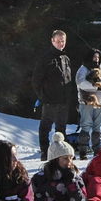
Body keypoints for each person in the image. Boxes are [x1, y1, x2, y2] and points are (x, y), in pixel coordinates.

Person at [30, 133, 93, 201]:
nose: (69, 162)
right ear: (55, 159)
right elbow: (31, 197)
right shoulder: (39, 178)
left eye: (71, 158)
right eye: (65, 158)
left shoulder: (75, 179)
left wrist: (71, 183)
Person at [32, 29, 74, 161]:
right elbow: (36, 80)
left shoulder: (66, 58)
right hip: (49, 100)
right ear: (52, 41)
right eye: (58, 41)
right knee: (45, 127)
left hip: (63, 101)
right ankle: (44, 152)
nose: (61, 43)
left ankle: (60, 153)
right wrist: (42, 96)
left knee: (61, 129)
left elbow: (68, 80)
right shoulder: (45, 58)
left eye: (63, 41)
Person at [75, 49, 101, 159]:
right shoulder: (83, 69)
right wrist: (96, 87)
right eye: (94, 57)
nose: (96, 59)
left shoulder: (100, 70)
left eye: (98, 57)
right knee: (86, 125)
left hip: (100, 102)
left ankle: (97, 149)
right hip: (86, 101)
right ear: (89, 57)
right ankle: (83, 150)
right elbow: (81, 83)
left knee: (98, 127)